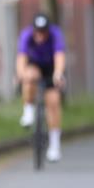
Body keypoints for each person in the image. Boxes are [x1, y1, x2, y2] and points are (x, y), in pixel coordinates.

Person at [16, 13, 67, 162]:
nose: (40, 35)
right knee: (29, 76)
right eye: (37, 32)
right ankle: (28, 110)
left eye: (43, 32)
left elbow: (59, 56)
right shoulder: (26, 35)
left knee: (53, 102)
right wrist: (21, 74)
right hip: (34, 65)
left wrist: (58, 74)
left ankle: (55, 145)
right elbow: (21, 59)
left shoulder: (55, 34)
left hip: (51, 67)